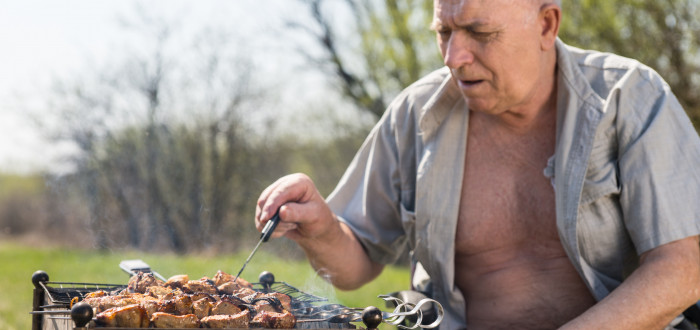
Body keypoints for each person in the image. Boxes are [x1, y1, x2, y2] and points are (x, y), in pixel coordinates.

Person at [255, 0, 700, 328]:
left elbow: (682, 269)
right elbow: (355, 267)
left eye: (480, 34)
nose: (453, 58)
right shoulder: (415, 113)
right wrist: (322, 228)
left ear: (546, 24)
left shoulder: (632, 97)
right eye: (443, 33)